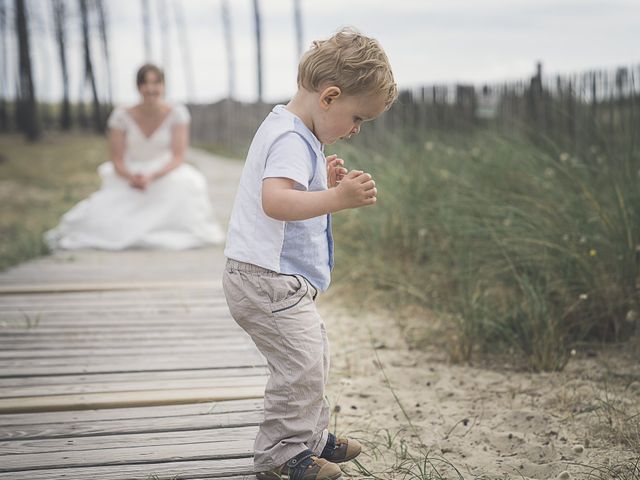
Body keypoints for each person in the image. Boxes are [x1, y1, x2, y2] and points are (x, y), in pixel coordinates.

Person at [222, 27, 397, 480]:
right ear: (329, 96)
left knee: (311, 356)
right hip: (265, 279)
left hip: (276, 280)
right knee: (298, 363)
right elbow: (277, 201)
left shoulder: (297, 134)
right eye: (357, 118)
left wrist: (323, 179)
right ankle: (281, 455)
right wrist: (338, 199)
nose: (356, 130)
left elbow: (295, 193)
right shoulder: (290, 138)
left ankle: (309, 439)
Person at [45, 63, 224, 251]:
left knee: (189, 183)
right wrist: (133, 177)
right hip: (130, 171)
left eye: (156, 83)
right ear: (138, 87)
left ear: (163, 86)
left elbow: (178, 157)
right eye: (145, 83)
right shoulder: (121, 116)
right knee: (103, 214)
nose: (151, 88)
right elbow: (117, 160)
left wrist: (152, 176)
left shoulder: (177, 114)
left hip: (163, 171)